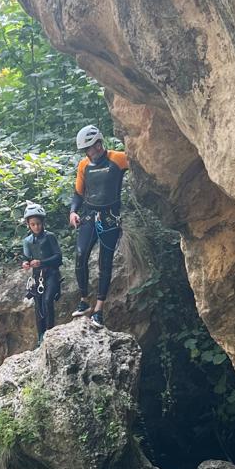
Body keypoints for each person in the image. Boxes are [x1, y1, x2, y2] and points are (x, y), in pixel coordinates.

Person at [68, 125, 128, 328]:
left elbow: (140, 161)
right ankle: (84, 300)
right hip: (90, 215)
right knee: (80, 254)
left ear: (100, 143)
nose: (92, 153)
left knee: (105, 262)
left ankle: (99, 311)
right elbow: (78, 192)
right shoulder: (84, 165)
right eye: (88, 150)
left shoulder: (118, 159)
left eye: (94, 147)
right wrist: (73, 211)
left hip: (110, 217)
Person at [21, 201, 62, 343]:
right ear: (28, 225)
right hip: (37, 276)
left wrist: (42, 262)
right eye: (33, 224)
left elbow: (58, 257)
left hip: (51, 274)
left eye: (38, 223)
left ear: (42, 222)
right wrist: (26, 263)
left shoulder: (49, 237)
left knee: (47, 300)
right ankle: (41, 336)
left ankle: (50, 333)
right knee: (38, 305)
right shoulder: (27, 241)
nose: (36, 227)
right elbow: (26, 257)